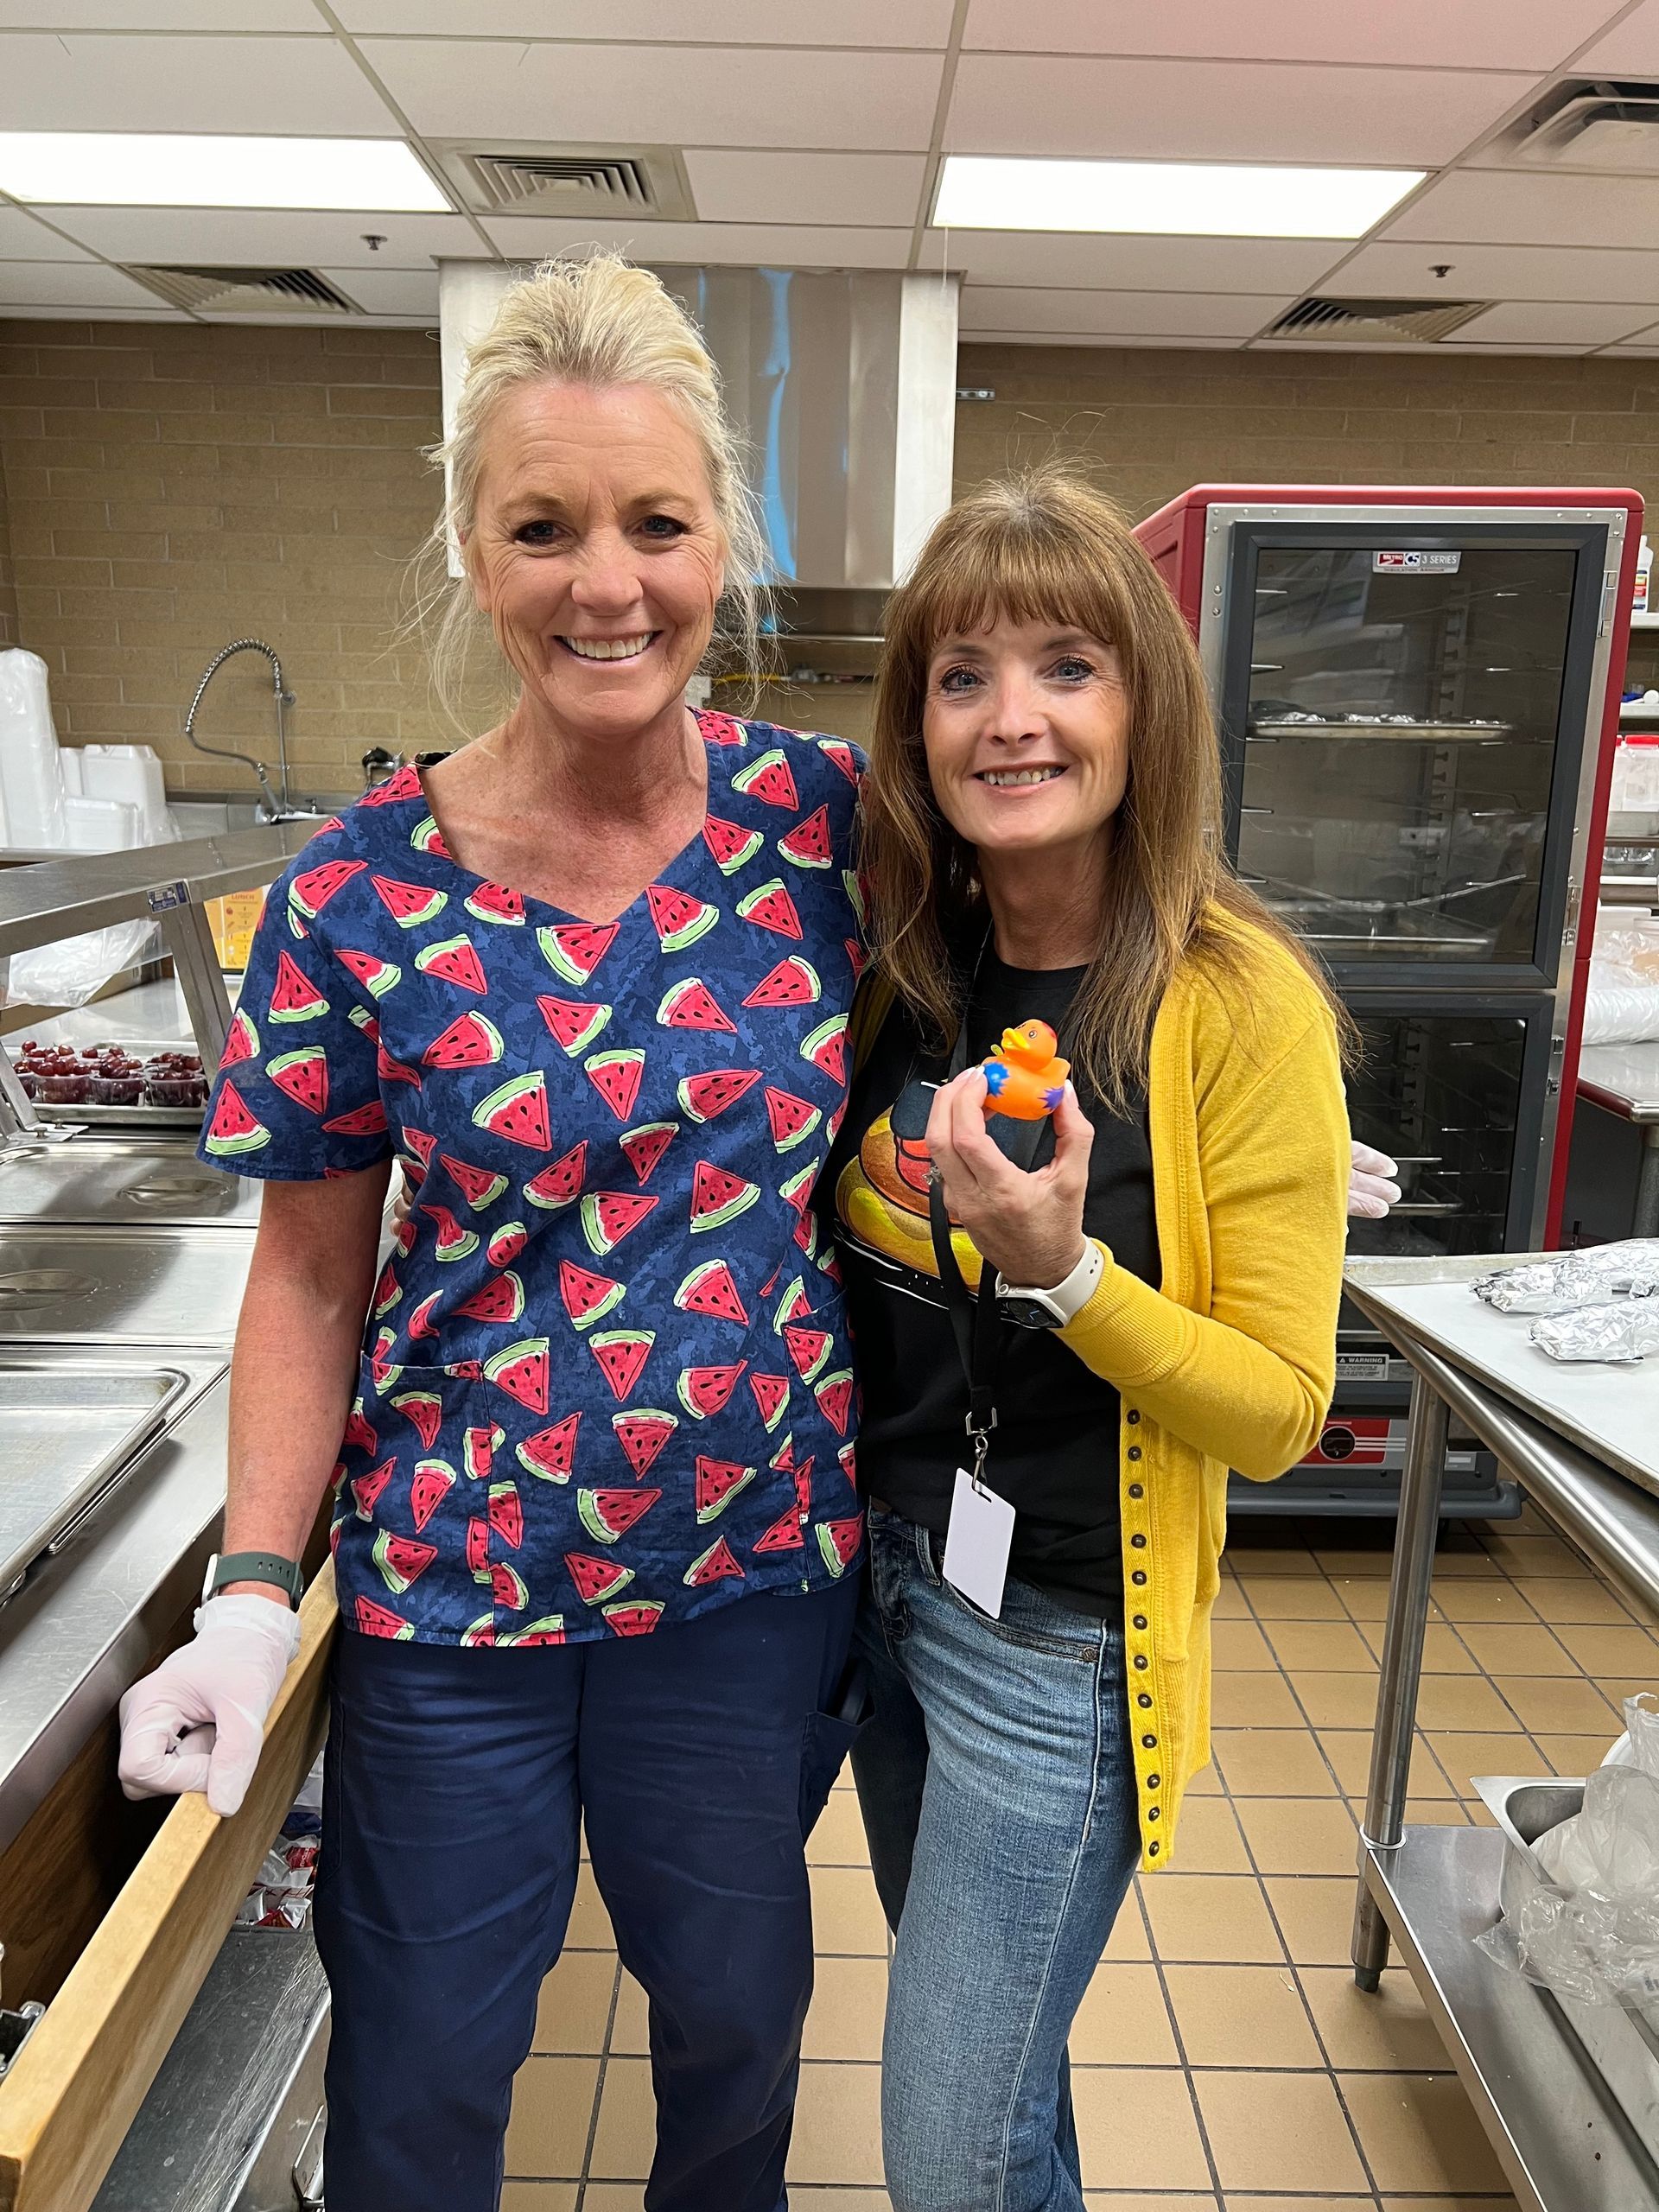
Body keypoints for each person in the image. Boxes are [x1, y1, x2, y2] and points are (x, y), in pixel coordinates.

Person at [115, 255, 868, 2212]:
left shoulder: (825, 827)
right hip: (458, 1601)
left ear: (727, 543)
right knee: (428, 2068)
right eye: (544, 528)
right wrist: (260, 1581)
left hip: (752, 1576)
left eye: (655, 523)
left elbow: (1081, 888)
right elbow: (306, 1265)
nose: (605, 582)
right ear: (472, 547)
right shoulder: (358, 895)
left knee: (733, 2037)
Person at [830, 467, 1356, 2212]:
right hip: (892, 1590)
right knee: (1010, 2092)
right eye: (962, 673)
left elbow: (1281, 1409)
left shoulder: (1235, 1002)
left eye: (1070, 663)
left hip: (1056, 1647)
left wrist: (1069, 1271)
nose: (1015, 718)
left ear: (1148, 705)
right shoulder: (907, 958)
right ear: (917, 721)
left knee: (946, 2150)